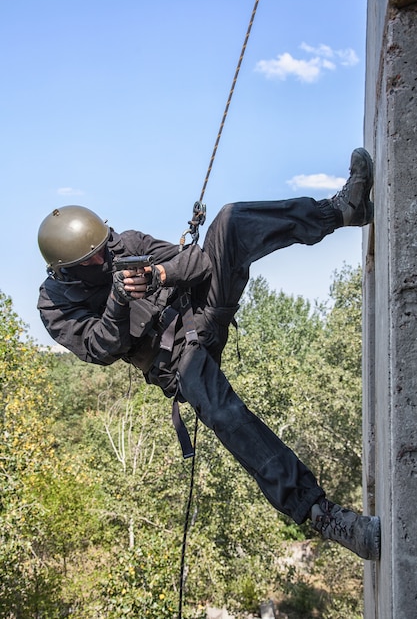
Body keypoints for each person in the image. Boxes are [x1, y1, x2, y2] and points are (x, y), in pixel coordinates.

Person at [37, 148, 380, 561]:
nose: (103, 258)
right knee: (225, 413)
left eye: (103, 248)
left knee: (229, 220)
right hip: (176, 363)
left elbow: (197, 263)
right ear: (67, 268)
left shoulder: (122, 244)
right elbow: (99, 348)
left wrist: (157, 274)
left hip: (202, 312)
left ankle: (341, 212)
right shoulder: (55, 305)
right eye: (91, 259)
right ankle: (324, 516)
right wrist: (118, 299)